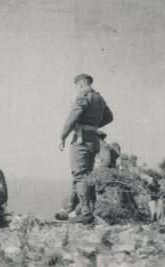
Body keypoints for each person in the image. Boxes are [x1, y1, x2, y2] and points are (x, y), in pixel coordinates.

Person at [56, 73, 113, 224]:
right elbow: (109, 117)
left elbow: (73, 117)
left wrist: (62, 136)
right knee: (88, 175)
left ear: (80, 85)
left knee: (80, 175)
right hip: (94, 139)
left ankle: (85, 214)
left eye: (76, 87)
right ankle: (87, 210)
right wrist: (93, 126)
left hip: (81, 140)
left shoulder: (83, 97)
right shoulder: (99, 98)